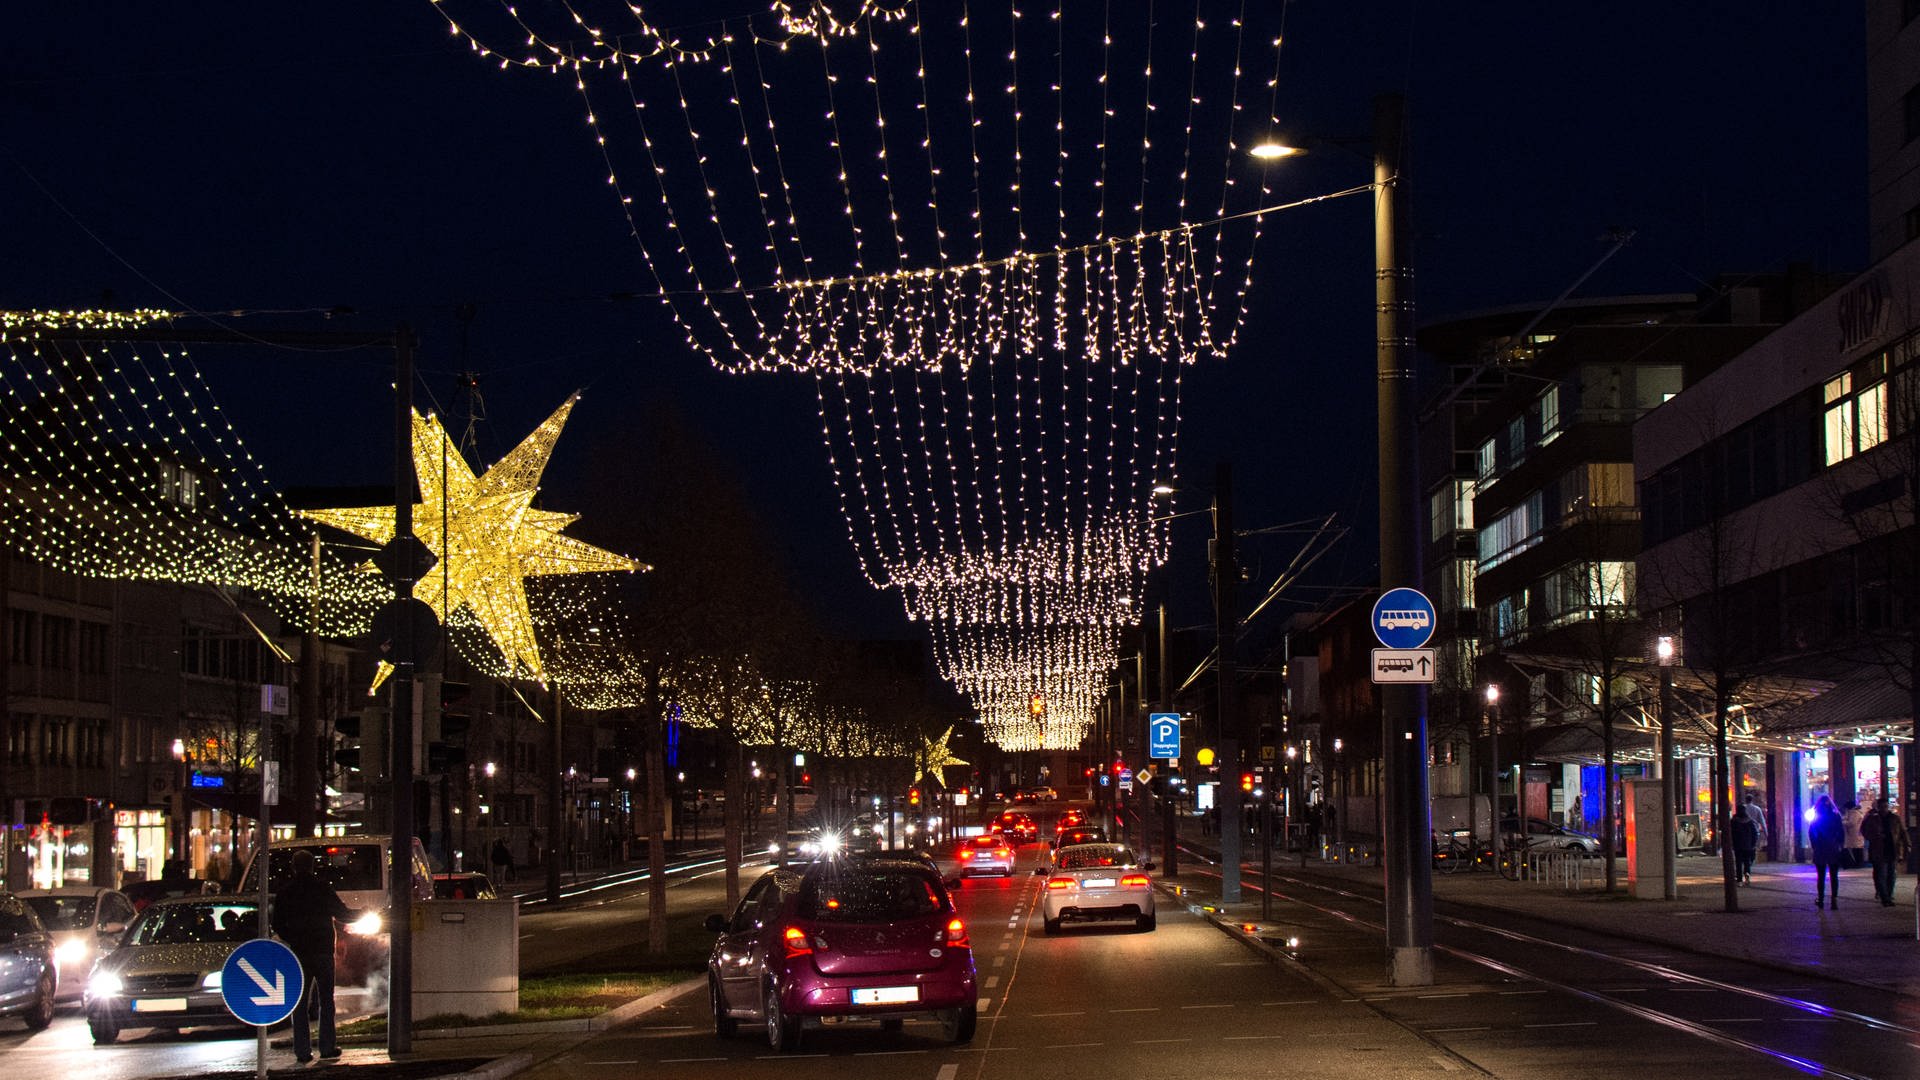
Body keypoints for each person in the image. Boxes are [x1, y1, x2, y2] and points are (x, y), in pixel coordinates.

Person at [270, 849, 361, 1063]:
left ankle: (302, 1051)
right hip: (322, 951)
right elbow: (342, 913)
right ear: (312, 866)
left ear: (294, 867)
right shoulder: (321, 888)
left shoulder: (286, 892)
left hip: (299, 952)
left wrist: (293, 938)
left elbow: (277, 923)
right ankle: (327, 1047)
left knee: (300, 1003)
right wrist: (363, 912)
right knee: (326, 1001)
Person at [1862, 796, 1912, 906]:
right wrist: (1875, 837)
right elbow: (1865, 831)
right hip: (1879, 850)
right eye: (1882, 807)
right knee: (1881, 874)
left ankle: (1889, 895)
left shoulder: (1894, 818)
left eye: (1885, 806)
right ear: (1878, 807)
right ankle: (1885, 897)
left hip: (1892, 849)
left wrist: (1907, 844)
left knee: (1891, 875)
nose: (1884, 809)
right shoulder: (1873, 819)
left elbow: (1903, 832)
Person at [1808, 795, 1845, 910]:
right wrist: (1839, 845)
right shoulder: (1835, 816)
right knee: (1834, 876)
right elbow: (1841, 832)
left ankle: (1821, 899)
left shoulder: (1817, 817)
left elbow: (1811, 833)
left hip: (1821, 848)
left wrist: (1815, 846)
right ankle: (1834, 900)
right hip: (1833, 848)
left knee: (1821, 876)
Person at [1729, 800, 1760, 885]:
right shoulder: (1749, 821)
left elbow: (1731, 833)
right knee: (1747, 861)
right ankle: (1747, 875)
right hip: (1748, 846)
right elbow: (1754, 833)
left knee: (1738, 862)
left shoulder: (1734, 821)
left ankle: (1739, 880)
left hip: (1738, 845)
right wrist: (1753, 844)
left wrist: (1732, 843)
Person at [1842, 801, 1867, 870]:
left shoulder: (1854, 813)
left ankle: (1858, 863)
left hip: (1855, 834)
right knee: (1856, 848)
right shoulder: (1855, 813)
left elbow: (1851, 823)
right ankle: (1858, 863)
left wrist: (1843, 822)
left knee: (1857, 849)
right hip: (1855, 834)